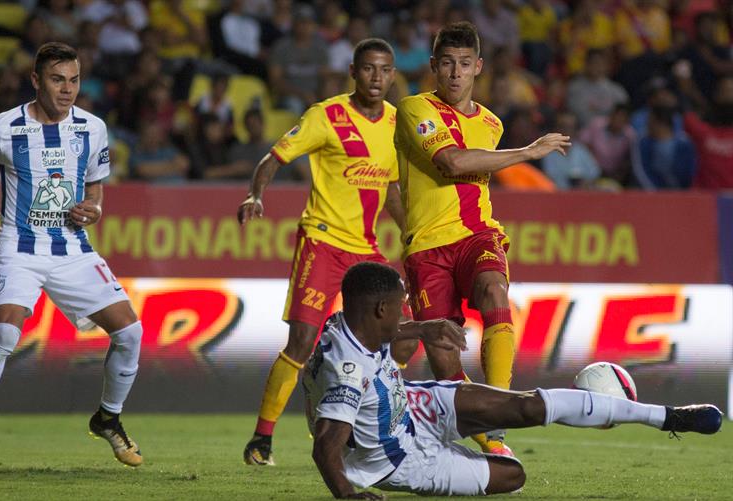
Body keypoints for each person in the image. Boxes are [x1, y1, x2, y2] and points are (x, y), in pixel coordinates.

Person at [306, 261, 723, 499]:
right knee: (513, 475)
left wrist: (420, 328)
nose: (404, 313)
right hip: (401, 459)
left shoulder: (352, 322)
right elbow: (326, 445)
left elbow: (377, 333)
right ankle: (464, 452)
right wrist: (349, 495)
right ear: (380, 308)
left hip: (413, 404)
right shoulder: (346, 371)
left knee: (523, 404)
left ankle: (667, 417)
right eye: (399, 308)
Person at [0, 42, 143, 467]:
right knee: (6, 334)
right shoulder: (2, 128)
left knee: (131, 333)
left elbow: (96, 185)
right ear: (36, 80)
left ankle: (108, 418)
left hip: (74, 251)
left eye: (74, 80)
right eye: (57, 79)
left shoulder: (94, 128)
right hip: (20, 251)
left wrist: (95, 209)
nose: (67, 89)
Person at [238, 38, 440, 466]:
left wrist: (413, 234)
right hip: (323, 241)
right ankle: (262, 439)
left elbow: (390, 192)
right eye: (369, 69)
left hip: (366, 251)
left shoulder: (396, 124)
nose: (378, 78)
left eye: (386, 70)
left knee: (403, 338)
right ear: (353, 71)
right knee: (301, 340)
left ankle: (381, 425)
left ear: (393, 75)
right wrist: (256, 195)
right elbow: (273, 158)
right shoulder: (326, 116)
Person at [393, 21, 571, 456]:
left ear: (479, 68)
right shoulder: (415, 109)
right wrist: (528, 152)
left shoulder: (490, 123)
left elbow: (476, 169)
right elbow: (452, 162)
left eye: (465, 64)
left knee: (495, 290)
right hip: (427, 247)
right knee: (443, 356)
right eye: (448, 64)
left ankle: (502, 409)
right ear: (434, 66)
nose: (455, 73)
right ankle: (491, 438)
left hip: (477, 234)